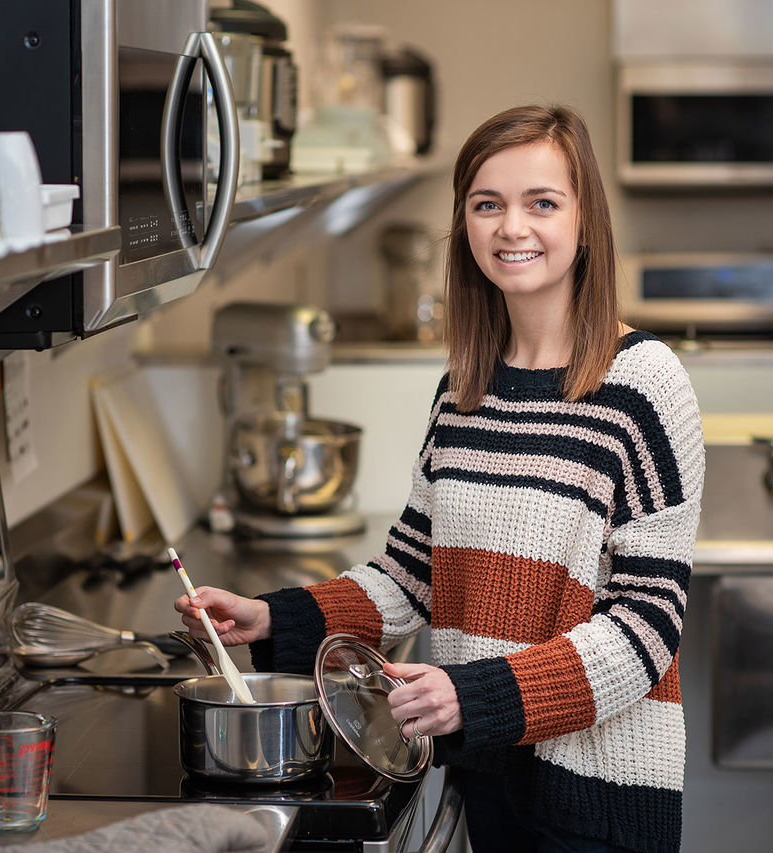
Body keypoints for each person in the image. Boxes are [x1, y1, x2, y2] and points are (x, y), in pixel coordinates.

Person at [177, 104, 704, 853]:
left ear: (586, 224)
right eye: (487, 205)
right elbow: (410, 574)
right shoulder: (464, 388)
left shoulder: (643, 384)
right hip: (483, 777)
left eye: (541, 203)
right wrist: (273, 619)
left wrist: (475, 695)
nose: (511, 228)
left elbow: (647, 627)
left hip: (597, 801)